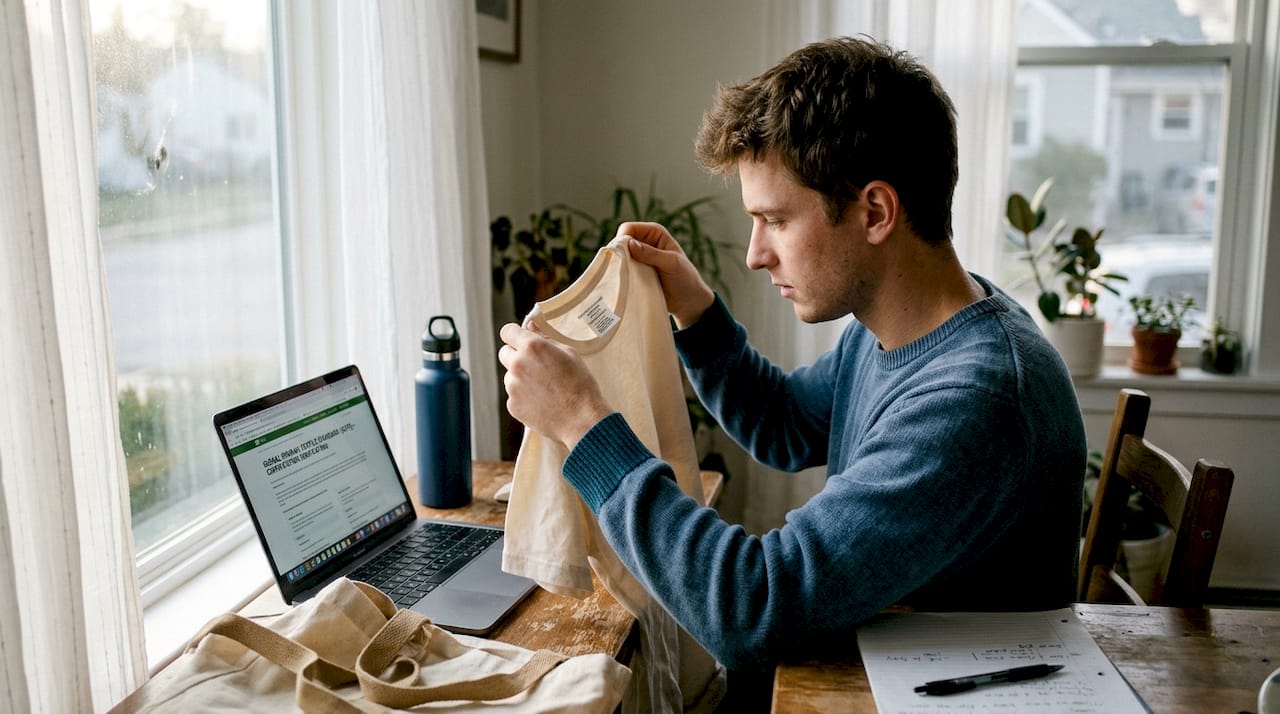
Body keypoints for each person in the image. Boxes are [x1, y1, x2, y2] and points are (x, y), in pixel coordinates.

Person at [497, 35, 1085, 692]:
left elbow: (752, 609)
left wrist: (584, 425)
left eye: (774, 219)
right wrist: (695, 309)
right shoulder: (902, 325)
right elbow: (785, 423)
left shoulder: (976, 399)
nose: (755, 253)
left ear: (875, 212)